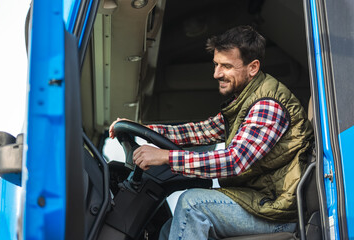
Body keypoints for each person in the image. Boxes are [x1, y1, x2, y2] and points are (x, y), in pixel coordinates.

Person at [109, 25, 313, 239]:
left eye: (226, 66)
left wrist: (166, 157)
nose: (216, 74)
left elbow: (234, 161)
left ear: (252, 68)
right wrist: (142, 129)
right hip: (259, 200)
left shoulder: (268, 105)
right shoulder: (244, 101)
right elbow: (199, 131)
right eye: (216, 64)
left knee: (192, 205)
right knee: (169, 229)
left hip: (278, 212)